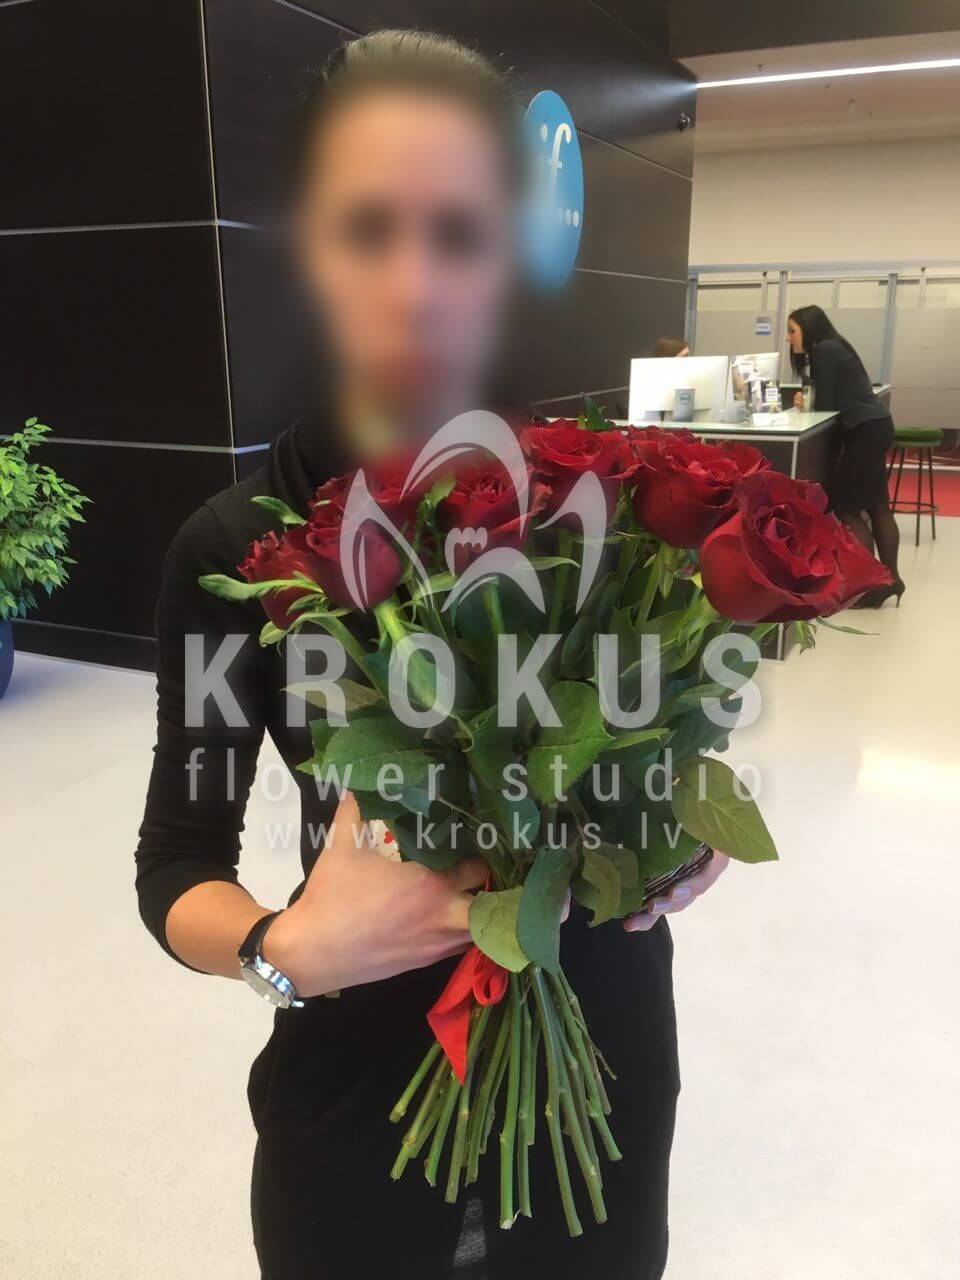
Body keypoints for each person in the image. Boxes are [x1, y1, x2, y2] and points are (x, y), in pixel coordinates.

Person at [134, 31, 728, 1280]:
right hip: (357, 1089)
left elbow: (650, 758)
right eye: (367, 228)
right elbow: (177, 862)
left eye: (457, 233)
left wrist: (676, 832)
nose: (413, 285)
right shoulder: (237, 547)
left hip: (601, 1064)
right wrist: (284, 949)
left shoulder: (599, 508)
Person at [788, 305, 904, 606]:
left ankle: (867, 586)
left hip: (864, 431)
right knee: (877, 505)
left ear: (808, 328)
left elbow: (826, 404)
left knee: (847, 508)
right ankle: (891, 579)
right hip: (877, 425)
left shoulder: (824, 349)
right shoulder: (835, 345)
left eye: (792, 331)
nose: (789, 338)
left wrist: (805, 403)